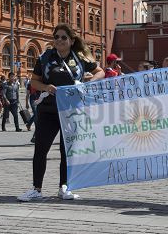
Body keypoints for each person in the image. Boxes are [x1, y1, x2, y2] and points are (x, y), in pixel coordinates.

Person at [17, 23, 105, 202]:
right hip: (48, 110)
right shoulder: (45, 57)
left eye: (63, 37)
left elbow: (100, 72)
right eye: (56, 37)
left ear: (72, 41)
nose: (59, 40)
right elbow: (34, 82)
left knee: (67, 151)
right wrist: (46, 87)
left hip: (71, 112)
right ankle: (36, 189)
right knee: (41, 149)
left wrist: (87, 83)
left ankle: (64, 187)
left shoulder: (80, 58)